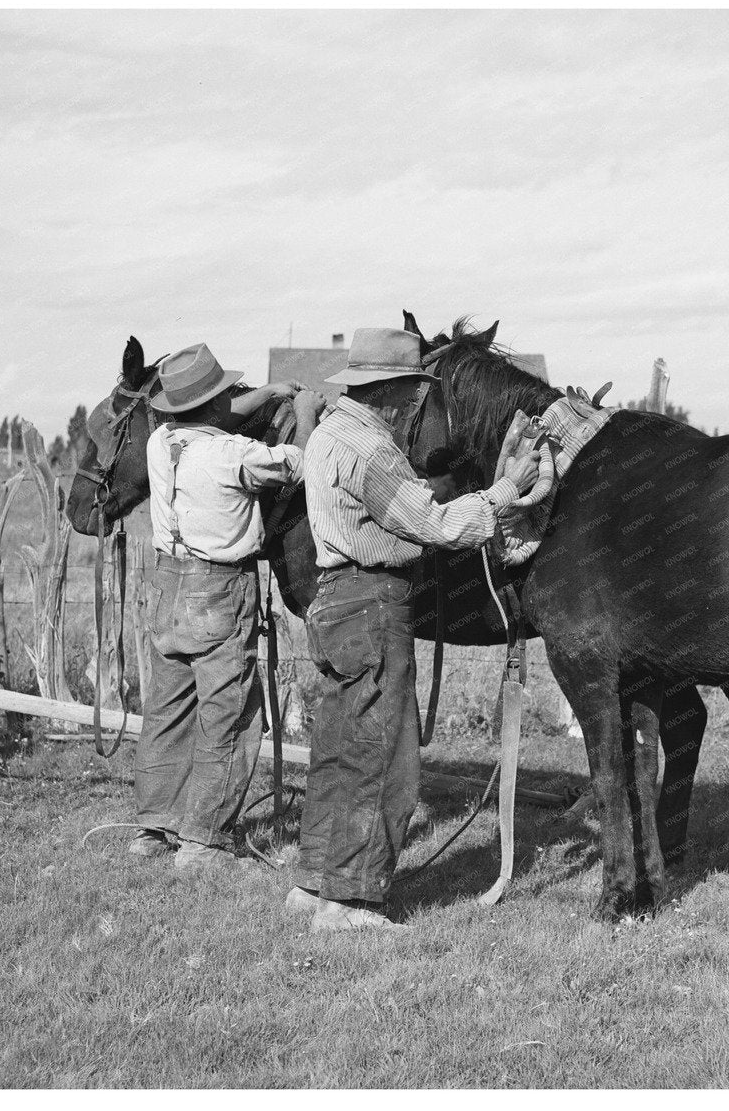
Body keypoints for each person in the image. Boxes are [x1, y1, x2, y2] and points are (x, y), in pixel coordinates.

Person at [290, 327, 543, 931]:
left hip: (334, 601)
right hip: (372, 601)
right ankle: (353, 902)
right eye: (409, 391)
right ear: (386, 389)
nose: (412, 404)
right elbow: (433, 525)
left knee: (339, 749)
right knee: (386, 757)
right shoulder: (372, 448)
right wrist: (505, 490)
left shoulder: (329, 433)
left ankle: (317, 880)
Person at [130, 341, 325, 874]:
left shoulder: (160, 441)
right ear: (216, 405)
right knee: (231, 714)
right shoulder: (234, 455)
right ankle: (206, 842)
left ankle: (155, 827)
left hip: (168, 586)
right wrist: (304, 413)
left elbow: (212, 415)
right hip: (218, 590)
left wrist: (266, 393)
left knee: (168, 710)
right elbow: (302, 464)